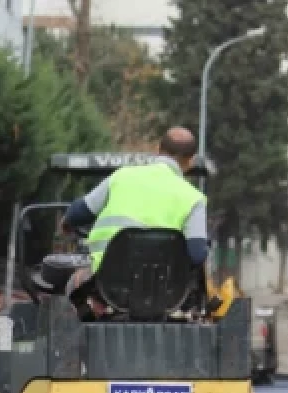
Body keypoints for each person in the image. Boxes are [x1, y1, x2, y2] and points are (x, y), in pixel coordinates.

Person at [59, 127, 210, 317]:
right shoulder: (194, 198)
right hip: (166, 294)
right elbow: (197, 254)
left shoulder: (122, 177)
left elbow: (78, 212)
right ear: (191, 161)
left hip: (106, 285)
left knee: (73, 287)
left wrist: (66, 222)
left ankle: (80, 330)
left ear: (158, 149)